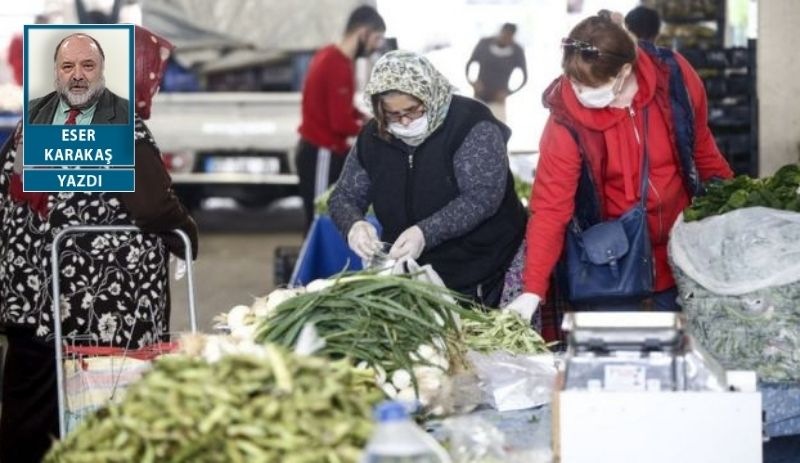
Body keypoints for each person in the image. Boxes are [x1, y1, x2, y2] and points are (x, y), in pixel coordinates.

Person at [0, 25, 197, 462]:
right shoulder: (119, 124)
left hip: (29, 301)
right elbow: (152, 206)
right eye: (69, 65)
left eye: (88, 65)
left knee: (30, 412)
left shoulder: (30, 124)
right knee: (97, 416)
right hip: (94, 313)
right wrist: (186, 233)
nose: (78, 75)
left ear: (105, 69)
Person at [506, 11, 733, 320]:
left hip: (684, 254)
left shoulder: (675, 78)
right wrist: (532, 289)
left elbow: (702, 148)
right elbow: (550, 208)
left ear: (625, 70)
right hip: (610, 266)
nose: (580, 94)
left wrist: (733, 213)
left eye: (591, 85)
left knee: (681, 352)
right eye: (575, 82)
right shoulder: (565, 120)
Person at [328, 51, 527, 307]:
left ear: (430, 95)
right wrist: (353, 225)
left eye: (413, 110)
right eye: (393, 114)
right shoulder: (374, 136)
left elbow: (482, 196)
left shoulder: (470, 124)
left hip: (485, 267)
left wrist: (425, 232)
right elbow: (344, 196)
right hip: (418, 274)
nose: (405, 121)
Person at [296, 5, 386, 231]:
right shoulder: (336, 64)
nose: (376, 46)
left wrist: (367, 118)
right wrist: (377, 130)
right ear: (363, 33)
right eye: (376, 38)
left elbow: (343, 110)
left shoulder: (332, 56)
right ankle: (315, 265)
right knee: (320, 217)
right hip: (321, 152)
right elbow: (339, 123)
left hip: (321, 150)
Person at [29, 32, 128, 125]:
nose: (77, 76)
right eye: (68, 67)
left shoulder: (129, 115)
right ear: (56, 71)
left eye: (88, 66)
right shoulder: (29, 112)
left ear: (102, 68)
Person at [465, 23, 527, 122]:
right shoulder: (484, 43)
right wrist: (473, 82)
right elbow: (469, 64)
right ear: (500, 32)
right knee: (471, 124)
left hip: (498, 100)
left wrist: (508, 92)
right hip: (479, 96)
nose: (505, 38)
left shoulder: (517, 51)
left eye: (509, 36)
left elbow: (524, 78)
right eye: (504, 34)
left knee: (497, 129)